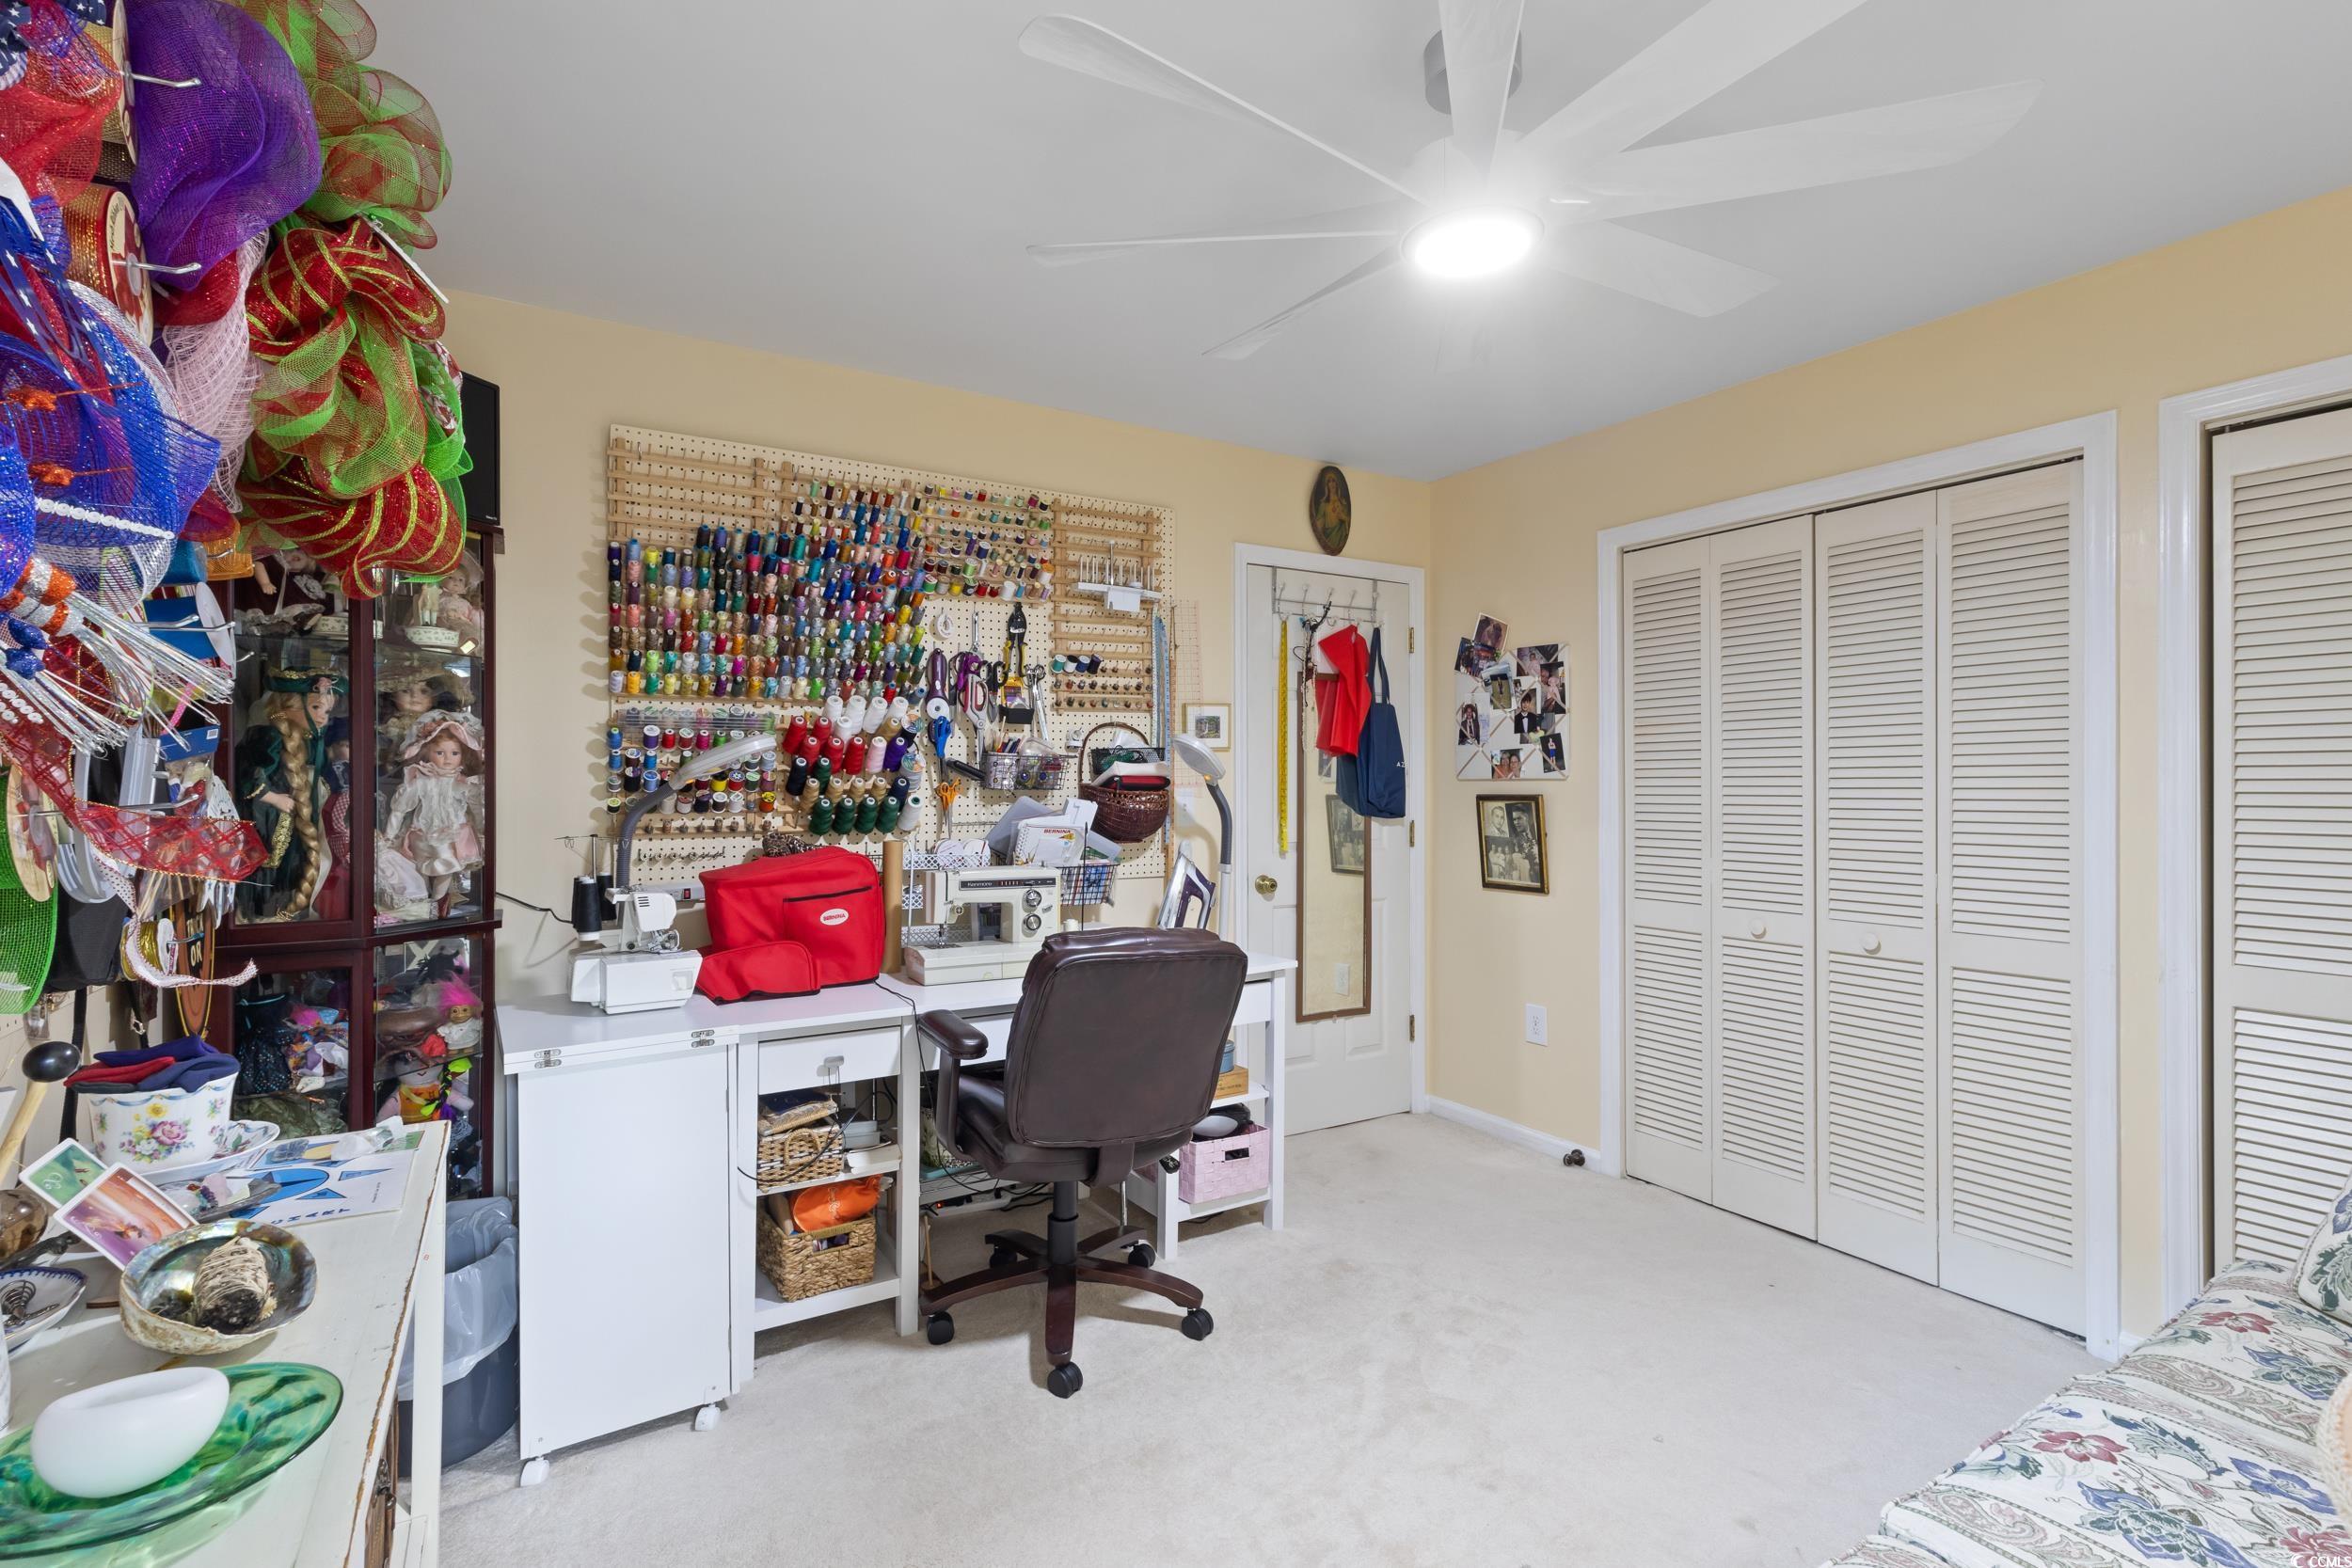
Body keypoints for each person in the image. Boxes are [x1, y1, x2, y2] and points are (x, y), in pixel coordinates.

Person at [235, 664, 345, 922]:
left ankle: (279, 912)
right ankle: (257, 913)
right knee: (266, 865)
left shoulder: (310, 742)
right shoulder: (268, 736)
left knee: (289, 865)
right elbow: (248, 773)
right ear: (288, 705)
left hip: (291, 817)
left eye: (327, 711)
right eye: (316, 708)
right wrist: (272, 798)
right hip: (267, 817)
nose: (322, 718)